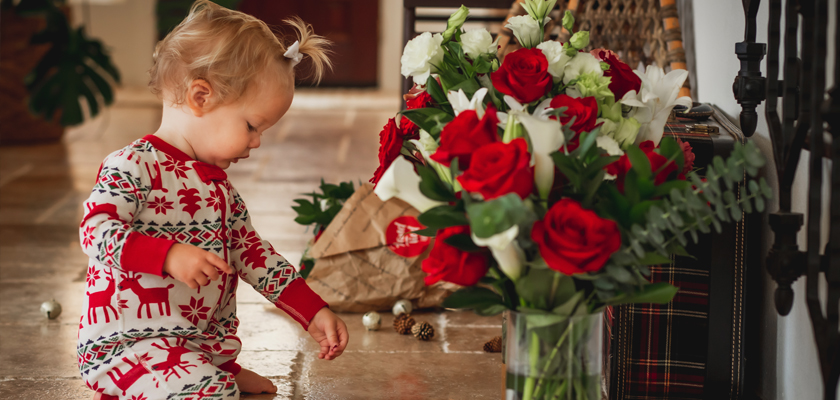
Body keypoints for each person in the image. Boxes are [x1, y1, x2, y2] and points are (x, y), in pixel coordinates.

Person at [76, 2, 348, 398]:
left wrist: (312, 310)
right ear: (200, 97)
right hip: (129, 346)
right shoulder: (132, 165)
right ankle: (188, 378)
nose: (256, 142)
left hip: (194, 343)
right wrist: (167, 255)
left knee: (217, 382)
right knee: (213, 393)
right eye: (252, 126)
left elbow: (255, 255)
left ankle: (207, 367)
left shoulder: (220, 190)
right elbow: (95, 231)